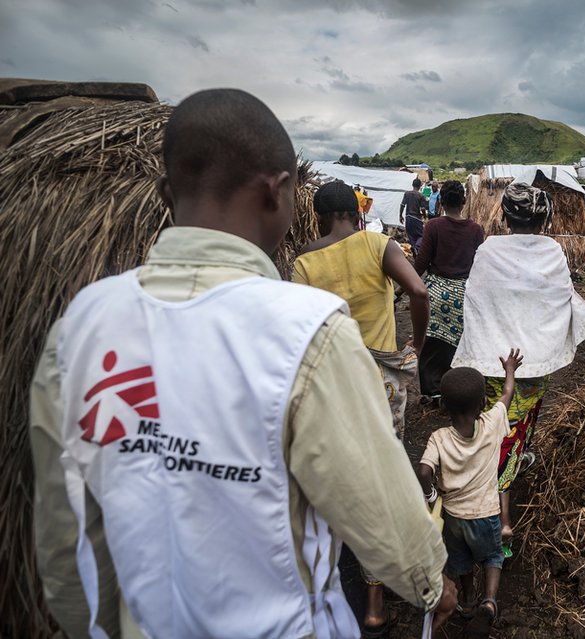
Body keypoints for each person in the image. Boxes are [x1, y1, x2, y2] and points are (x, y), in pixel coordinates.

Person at [29, 88, 456, 639]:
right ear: (279, 193)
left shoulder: (81, 326)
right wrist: (429, 580)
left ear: (164, 192)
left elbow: (67, 539)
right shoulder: (307, 332)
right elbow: (379, 504)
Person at [292, 180, 430, 637]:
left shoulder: (304, 261)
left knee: (340, 468)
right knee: (382, 474)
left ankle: (329, 575)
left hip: (332, 379)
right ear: (357, 210)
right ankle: (375, 600)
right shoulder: (378, 244)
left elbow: (299, 327)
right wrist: (417, 344)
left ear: (318, 216)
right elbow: (419, 291)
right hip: (381, 380)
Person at [452, 182, 585, 547]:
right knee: (515, 424)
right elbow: (558, 297)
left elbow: (476, 298)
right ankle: (499, 488)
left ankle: (499, 469)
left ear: (504, 215)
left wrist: (490, 336)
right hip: (533, 360)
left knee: (498, 419)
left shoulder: (489, 250)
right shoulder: (551, 250)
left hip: (494, 359)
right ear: (545, 218)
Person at [418, 349, 523, 637]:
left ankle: (466, 601)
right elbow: (507, 395)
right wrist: (510, 369)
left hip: (453, 518)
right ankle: (489, 602)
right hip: (487, 515)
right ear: (482, 403)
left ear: (443, 408)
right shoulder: (491, 425)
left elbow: (425, 470)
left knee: (461, 562)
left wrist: (430, 496)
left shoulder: (438, 438)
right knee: (492, 558)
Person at [414, 180, 485, 403]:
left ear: (441, 202)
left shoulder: (433, 226)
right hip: (462, 295)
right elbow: (479, 265)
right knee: (457, 344)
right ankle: (454, 390)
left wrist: (402, 288)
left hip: (435, 294)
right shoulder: (475, 229)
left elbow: (422, 262)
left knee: (433, 344)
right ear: (464, 202)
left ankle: (432, 392)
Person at [399, 177, 429, 254]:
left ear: (412, 185)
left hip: (408, 217)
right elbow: (422, 209)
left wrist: (400, 216)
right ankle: (416, 248)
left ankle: (414, 251)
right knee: (422, 235)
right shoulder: (421, 196)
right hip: (416, 218)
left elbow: (402, 205)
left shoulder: (407, 193)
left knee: (411, 236)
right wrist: (425, 217)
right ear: (419, 186)